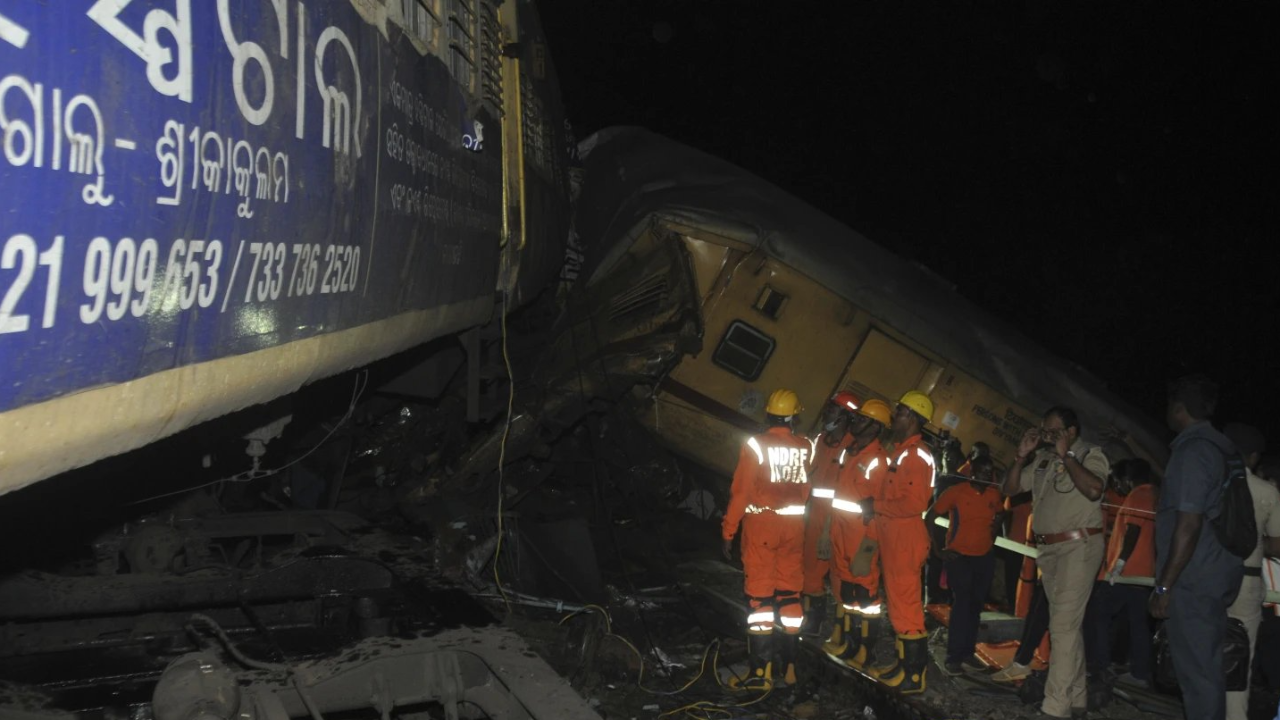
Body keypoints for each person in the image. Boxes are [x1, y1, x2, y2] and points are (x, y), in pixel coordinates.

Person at [1002, 406, 1109, 719]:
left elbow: (1093, 489)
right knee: (1068, 628)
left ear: (1071, 432)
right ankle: (1077, 699)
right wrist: (1021, 456)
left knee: (1061, 627)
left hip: (1079, 547)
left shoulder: (1090, 454)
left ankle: (1055, 708)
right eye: (1044, 431)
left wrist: (1068, 456)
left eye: (1053, 432)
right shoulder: (1043, 460)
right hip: (1049, 553)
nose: (1046, 436)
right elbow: (1010, 490)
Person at [1148, 375, 1245, 720]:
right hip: (1213, 573)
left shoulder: (1194, 452)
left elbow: (1188, 525)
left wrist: (1164, 585)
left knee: (1198, 678)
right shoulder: (1220, 449)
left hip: (1193, 580)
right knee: (1204, 672)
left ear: (1179, 408)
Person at [721, 388, 813, 690]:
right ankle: (789, 669)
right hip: (794, 527)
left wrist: (728, 531)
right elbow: (804, 489)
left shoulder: (756, 445)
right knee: (789, 595)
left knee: (760, 599)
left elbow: (741, 492)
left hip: (763, 526)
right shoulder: (805, 446)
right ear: (794, 417)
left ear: (769, 414)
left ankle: (760, 675)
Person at [866, 390, 936, 693]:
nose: (896, 416)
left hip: (905, 538)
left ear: (915, 418)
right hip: (894, 537)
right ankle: (902, 666)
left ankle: (914, 676)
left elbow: (913, 503)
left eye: (902, 411)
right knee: (898, 606)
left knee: (907, 608)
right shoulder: (901, 451)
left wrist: (876, 506)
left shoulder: (917, 455)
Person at [824, 398, 892, 669]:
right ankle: (850, 644)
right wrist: (828, 530)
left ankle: (866, 652)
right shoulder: (850, 452)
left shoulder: (879, 461)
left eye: (863, 419)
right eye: (858, 417)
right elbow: (838, 494)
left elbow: (878, 508)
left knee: (866, 598)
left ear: (876, 427)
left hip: (861, 536)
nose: (856, 421)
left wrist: (869, 547)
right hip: (841, 531)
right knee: (849, 593)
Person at [927, 455, 1005, 675]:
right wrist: (937, 550)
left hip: (984, 557)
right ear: (972, 473)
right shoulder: (956, 492)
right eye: (981, 472)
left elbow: (1000, 512)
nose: (985, 476)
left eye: (989, 473)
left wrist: (993, 535)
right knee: (962, 605)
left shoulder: (993, 494)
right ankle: (954, 657)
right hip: (959, 557)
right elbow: (931, 516)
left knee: (975, 606)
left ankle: (968, 653)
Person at [1223, 422, 1280, 720]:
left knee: (1202, 651)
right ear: (1254, 457)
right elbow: (1277, 545)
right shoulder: (1267, 491)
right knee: (1239, 659)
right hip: (1246, 579)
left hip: (1207, 577)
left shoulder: (1209, 481)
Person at [1084, 459, 1158, 687]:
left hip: (1127, 572)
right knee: (1138, 624)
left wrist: (1119, 564)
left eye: (1117, 480)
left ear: (1127, 479)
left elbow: (1133, 530)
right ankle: (1139, 673)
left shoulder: (1139, 495)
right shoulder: (1155, 494)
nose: (1116, 486)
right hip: (1143, 572)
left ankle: (1099, 666)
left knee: (1098, 616)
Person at [800, 391, 862, 638]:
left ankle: (843, 632)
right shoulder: (819, 439)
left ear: (846, 417)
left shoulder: (851, 449)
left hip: (833, 520)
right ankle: (811, 623)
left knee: (838, 577)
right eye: (829, 407)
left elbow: (842, 493)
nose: (828, 412)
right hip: (812, 514)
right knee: (809, 572)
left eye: (834, 409)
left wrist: (827, 529)